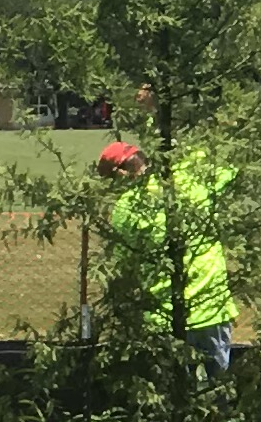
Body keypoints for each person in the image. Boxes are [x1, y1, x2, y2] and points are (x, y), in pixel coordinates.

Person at [96, 137, 237, 373]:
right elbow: (226, 169)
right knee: (215, 390)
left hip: (163, 315)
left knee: (173, 387)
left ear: (120, 175)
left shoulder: (125, 210)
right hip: (211, 307)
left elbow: (125, 267)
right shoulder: (187, 181)